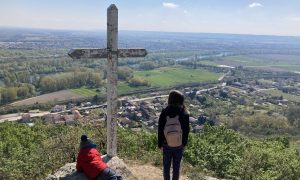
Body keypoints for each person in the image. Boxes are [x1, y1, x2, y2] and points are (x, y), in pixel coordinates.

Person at [158, 90, 190, 180]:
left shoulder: (164, 112)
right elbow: (186, 131)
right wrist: (184, 144)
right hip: (179, 145)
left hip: (166, 144)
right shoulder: (184, 113)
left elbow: (160, 129)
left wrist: (160, 144)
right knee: (176, 167)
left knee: (166, 167)